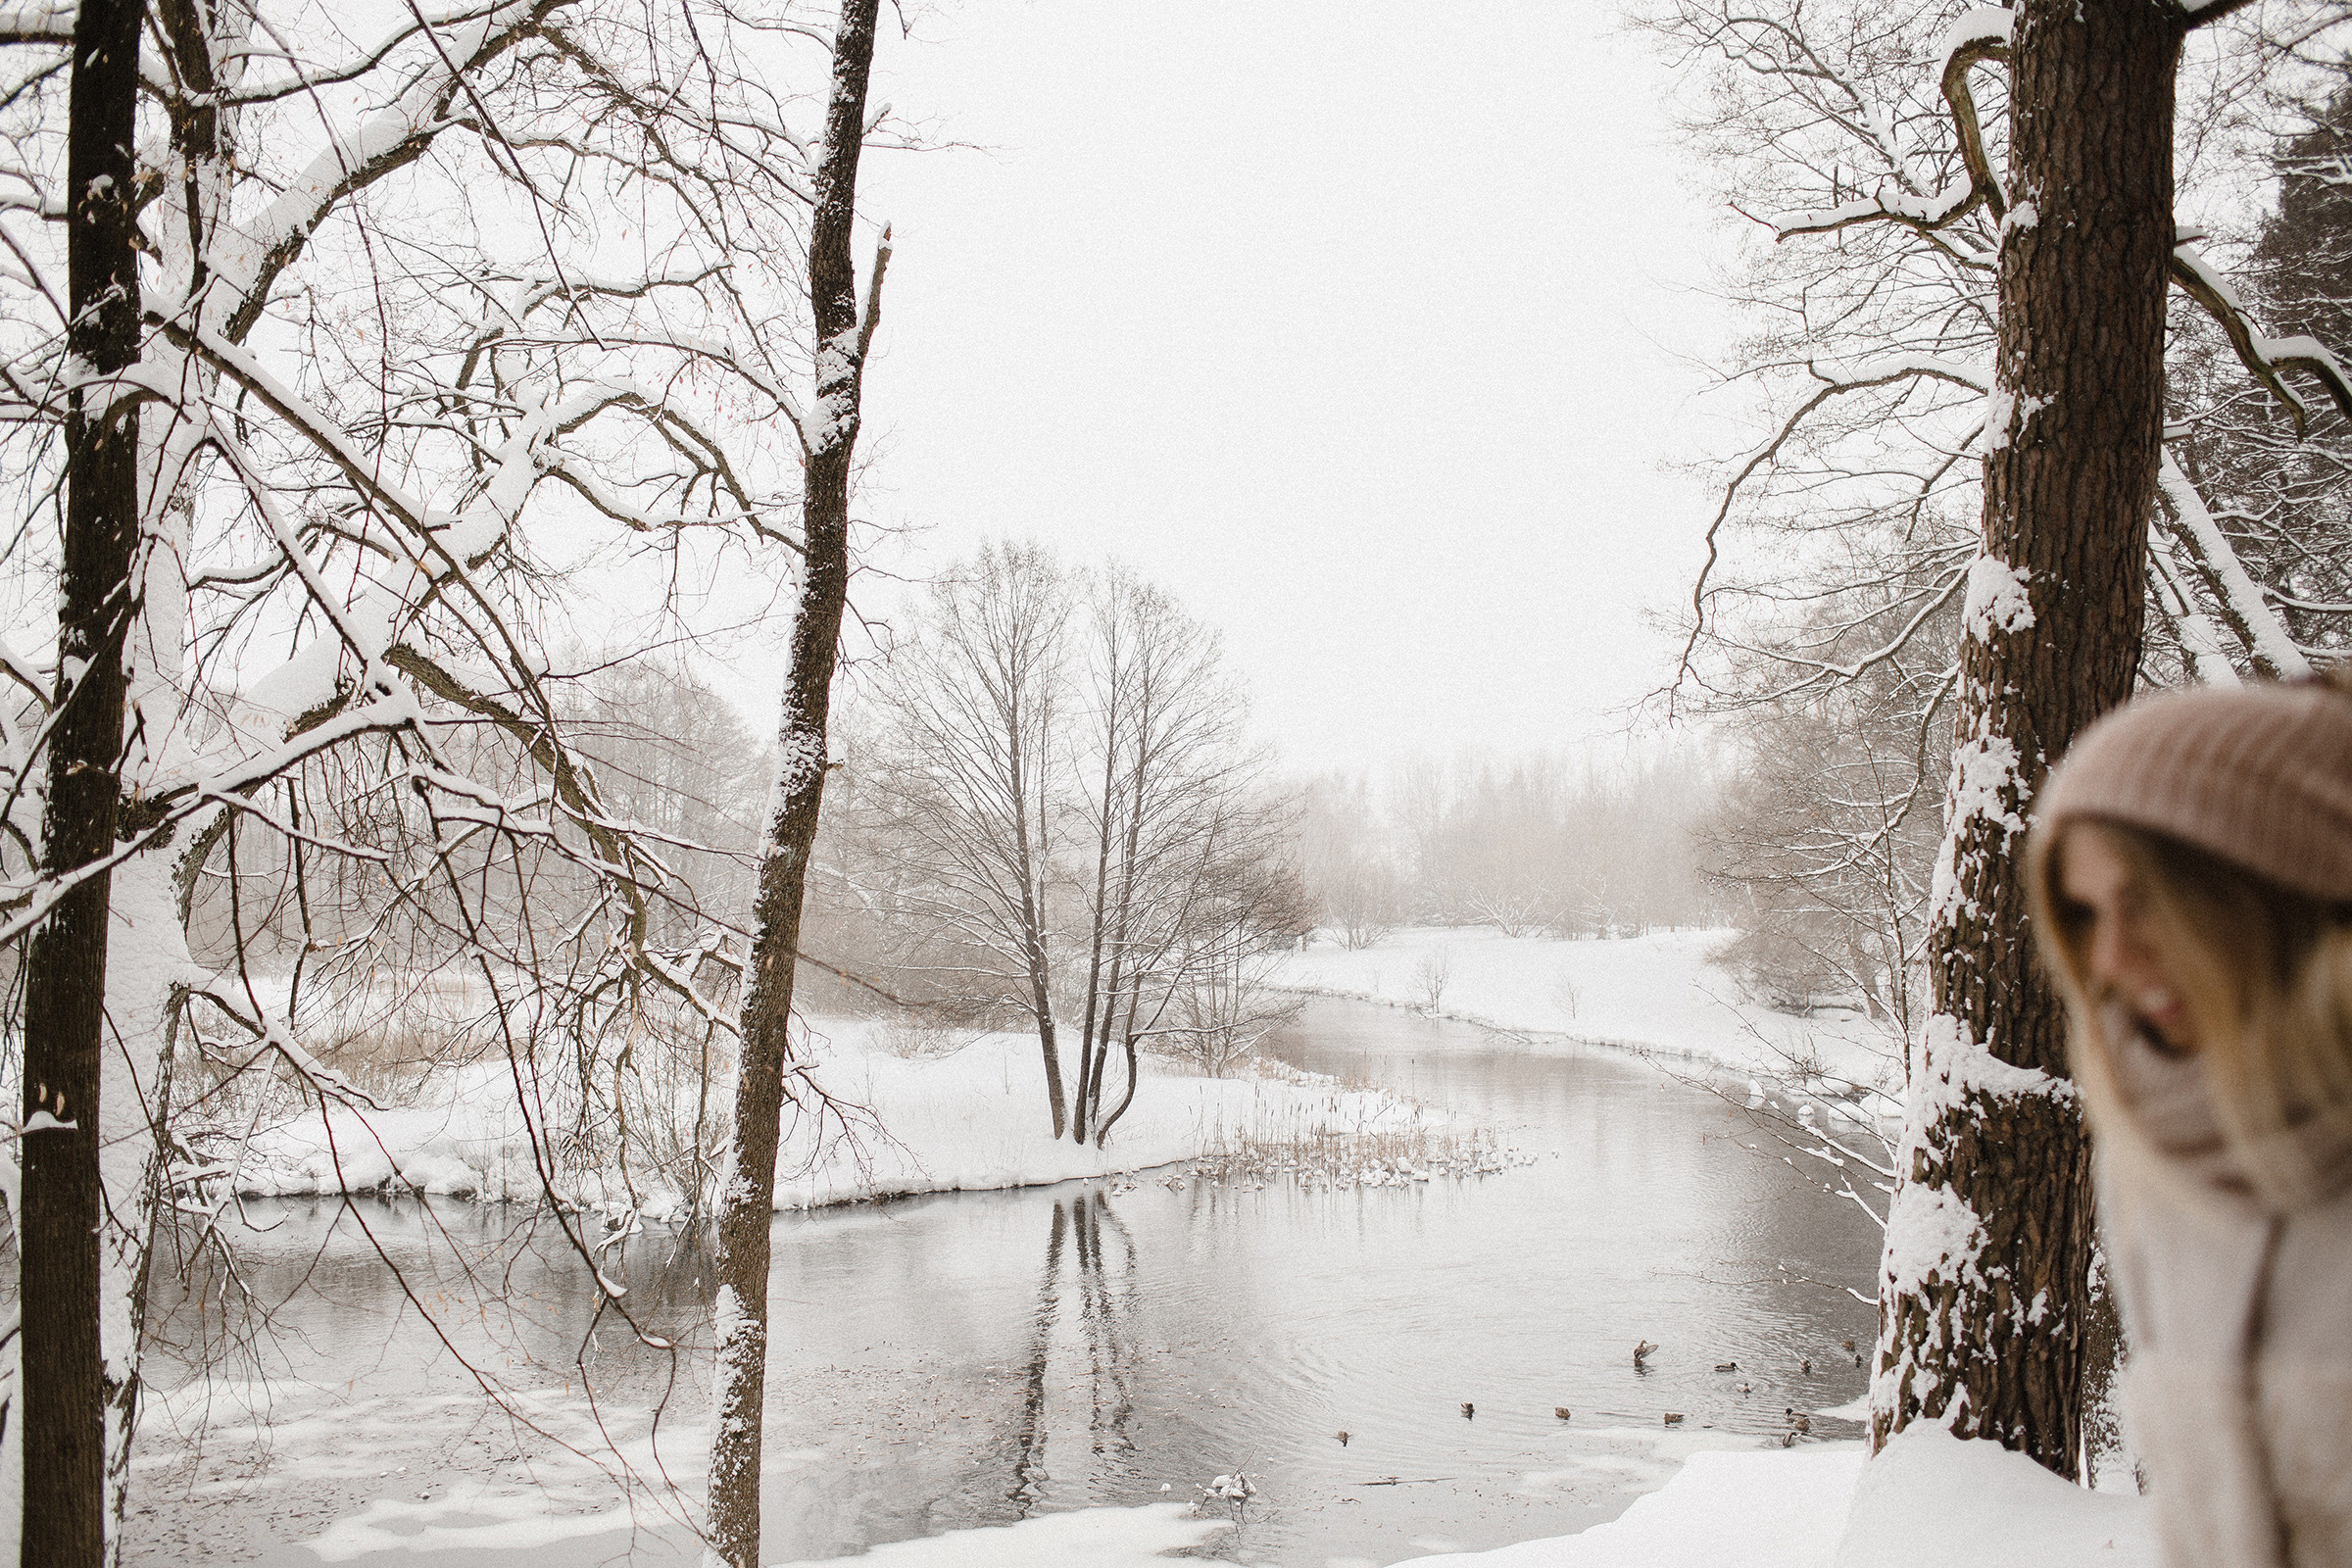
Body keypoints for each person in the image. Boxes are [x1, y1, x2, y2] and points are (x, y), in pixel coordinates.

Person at [2028, 669, 2352, 1567]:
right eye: (2085, 915)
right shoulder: (2148, 1157)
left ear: (2277, 884)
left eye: (2148, 902)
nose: (2114, 958)